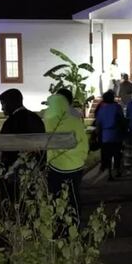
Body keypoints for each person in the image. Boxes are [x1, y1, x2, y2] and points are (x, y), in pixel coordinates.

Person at [0, 89, 45, 215]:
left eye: (3, 104)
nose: (2, 108)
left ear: (11, 103)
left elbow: (4, 150)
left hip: (13, 176)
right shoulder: (36, 119)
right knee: (31, 208)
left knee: (13, 208)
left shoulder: (10, 123)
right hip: (35, 172)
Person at [44, 91, 89, 223]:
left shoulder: (49, 121)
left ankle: (59, 224)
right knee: (73, 195)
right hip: (76, 166)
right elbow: (84, 143)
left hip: (56, 167)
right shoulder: (75, 120)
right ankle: (75, 222)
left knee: (56, 196)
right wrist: (81, 158)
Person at [94, 90, 125, 180]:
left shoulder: (101, 109)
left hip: (105, 135)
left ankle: (109, 174)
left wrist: (97, 134)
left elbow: (98, 123)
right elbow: (122, 119)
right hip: (116, 134)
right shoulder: (117, 107)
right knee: (117, 153)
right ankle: (117, 170)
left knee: (107, 155)